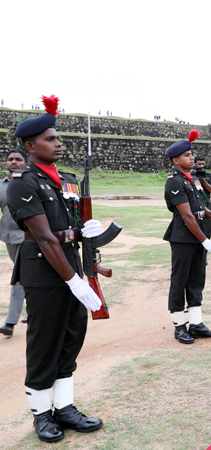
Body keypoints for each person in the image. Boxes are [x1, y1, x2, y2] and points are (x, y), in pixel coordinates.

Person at [7, 96, 105, 442]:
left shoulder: (63, 180)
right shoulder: (23, 182)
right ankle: (41, 414)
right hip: (46, 274)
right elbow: (45, 238)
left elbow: (64, 229)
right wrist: (75, 282)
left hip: (69, 265)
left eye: (57, 137)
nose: (58, 143)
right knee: (44, 343)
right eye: (50, 139)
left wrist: (82, 231)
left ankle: (64, 408)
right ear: (31, 146)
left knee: (70, 339)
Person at [163, 130, 211, 345]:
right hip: (183, 237)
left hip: (197, 235)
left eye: (191, 154)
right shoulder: (174, 182)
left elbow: (199, 210)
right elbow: (187, 215)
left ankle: (196, 324)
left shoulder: (192, 180)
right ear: (176, 160)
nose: (191, 158)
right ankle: (180, 326)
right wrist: (205, 241)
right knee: (180, 281)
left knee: (197, 279)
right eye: (187, 155)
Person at [0, 150, 28, 337]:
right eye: (10, 159)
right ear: (5, 163)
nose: (14, 162)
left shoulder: (32, 182)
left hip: (29, 237)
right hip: (9, 237)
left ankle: (10, 321)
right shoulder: (1, 185)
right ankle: (34, 311)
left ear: (26, 163)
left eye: (18, 159)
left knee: (19, 276)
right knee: (28, 276)